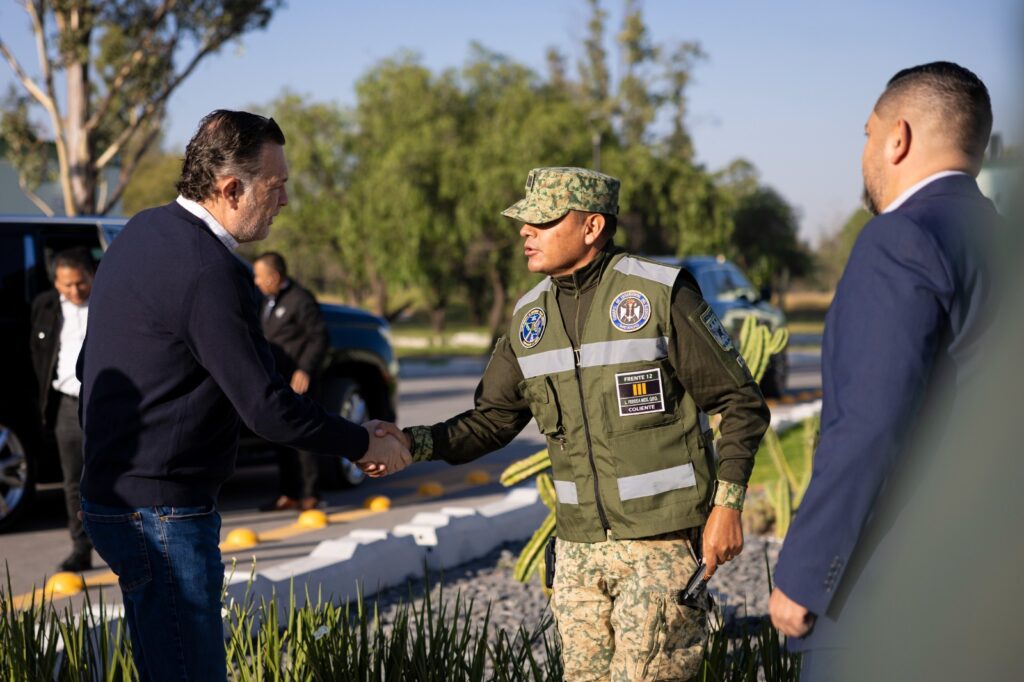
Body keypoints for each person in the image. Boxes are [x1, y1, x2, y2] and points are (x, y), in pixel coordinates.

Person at [376, 167, 770, 680]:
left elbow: (740, 402)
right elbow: (493, 420)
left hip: (660, 543)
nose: (525, 232)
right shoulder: (528, 318)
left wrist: (728, 505)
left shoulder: (659, 293)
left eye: (543, 221)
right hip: (578, 553)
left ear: (592, 227)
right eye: (526, 222)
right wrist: (413, 443)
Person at [77, 110, 410, 681]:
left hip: (112, 499)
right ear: (231, 188)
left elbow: (91, 364)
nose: (282, 202)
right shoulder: (211, 269)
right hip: (162, 512)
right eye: (276, 186)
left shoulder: (140, 231)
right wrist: (361, 441)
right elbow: (266, 409)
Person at [768, 62, 1000, 678]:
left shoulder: (901, 238)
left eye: (866, 135)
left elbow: (871, 421)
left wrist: (804, 575)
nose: (865, 153)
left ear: (897, 137)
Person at [29, 247, 96, 572]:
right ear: (56, 283)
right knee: (73, 481)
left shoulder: (109, 303)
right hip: (67, 405)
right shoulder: (46, 308)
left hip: (105, 404)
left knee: (114, 478)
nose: (74, 290)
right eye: (66, 285)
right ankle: (80, 548)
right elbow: (37, 355)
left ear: (92, 276)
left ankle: (128, 548)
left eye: (80, 283)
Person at [253, 252, 328, 511]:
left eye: (259, 277)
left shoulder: (300, 299)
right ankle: (289, 494)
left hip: (299, 382)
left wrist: (304, 369)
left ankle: (310, 494)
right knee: (281, 437)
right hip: (277, 381)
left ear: (274, 277)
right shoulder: (267, 302)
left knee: (305, 438)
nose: (256, 282)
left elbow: (319, 338)